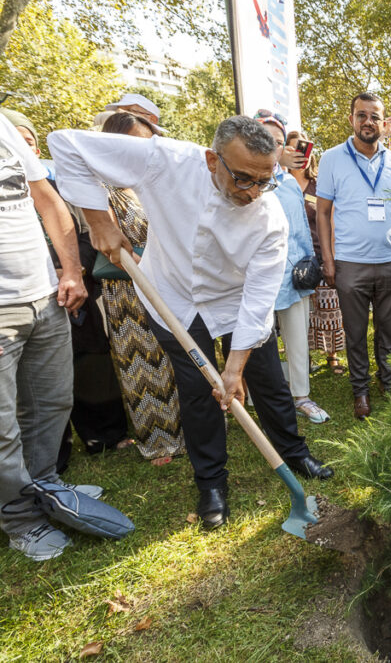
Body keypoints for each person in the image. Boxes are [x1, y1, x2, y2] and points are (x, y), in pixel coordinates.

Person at [49, 115, 334, 531]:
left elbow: (258, 301)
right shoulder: (166, 159)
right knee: (199, 391)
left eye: (264, 180)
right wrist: (99, 221)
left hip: (236, 301)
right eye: (242, 179)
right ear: (210, 160)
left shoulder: (269, 218)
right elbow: (66, 145)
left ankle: (294, 452)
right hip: (172, 297)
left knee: (268, 378)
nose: (253, 192)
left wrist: (234, 369)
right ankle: (212, 484)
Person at [0, 113, 93, 561]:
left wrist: (72, 270)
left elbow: (49, 202)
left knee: (52, 401)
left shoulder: (4, 126)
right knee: (3, 428)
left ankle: (47, 484)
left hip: (44, 295)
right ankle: (21, 519)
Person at [315, 93, 391, 420]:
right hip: (350, 265)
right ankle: (360, 391)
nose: (368, 122)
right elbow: (322, 213)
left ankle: (388, 383)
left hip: (390, 263)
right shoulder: (332, 158)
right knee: (356, 334)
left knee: (389, 331)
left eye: (374, 116)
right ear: (351, 120)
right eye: (361, 115)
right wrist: (329, 259)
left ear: (384, 123)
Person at [93, 112, 186, 462]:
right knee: (144, 364)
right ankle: (159, 439)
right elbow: (114, 248)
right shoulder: (103, 189)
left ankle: (189, 427)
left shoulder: (152, 182)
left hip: (168, 284)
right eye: (136, 140)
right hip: (130, 291)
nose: (144, 148)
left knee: (176, 358)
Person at [255, 112, 330, 424]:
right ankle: (258, 394)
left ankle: (301, 396)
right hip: (256, 276)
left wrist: (310, 268)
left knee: (297, 338)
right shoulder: (242, 179)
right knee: (257, 339)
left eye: (277, 142)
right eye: (264, 140)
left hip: (293, 274)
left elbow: (301, 231)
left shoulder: (287, 183)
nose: (272, 147)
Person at [284, 130, 346, 375]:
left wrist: (331, 255)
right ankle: (303, 358)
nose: (302, 154)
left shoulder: (319, 185)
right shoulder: (279, 183)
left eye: (306, 149)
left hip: (319, 254)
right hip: (290, 259)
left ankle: (332, 354)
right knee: (300, 313)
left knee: (328, 307)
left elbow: (331, 221)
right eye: (296, 149)